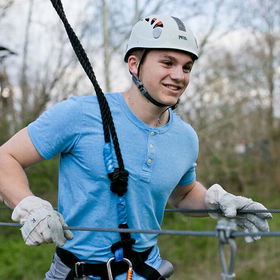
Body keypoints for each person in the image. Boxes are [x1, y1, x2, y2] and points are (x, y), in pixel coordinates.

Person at [0, 15, 272, 280]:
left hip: (143, 271)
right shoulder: (80, 114)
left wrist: (218, 202)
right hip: (76, 272)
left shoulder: (185, 136)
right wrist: (30, 207)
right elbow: (6, 157)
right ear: (134, 64)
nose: (178, 76)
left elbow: (183, 193)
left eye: (187, 67)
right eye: (167, 62)